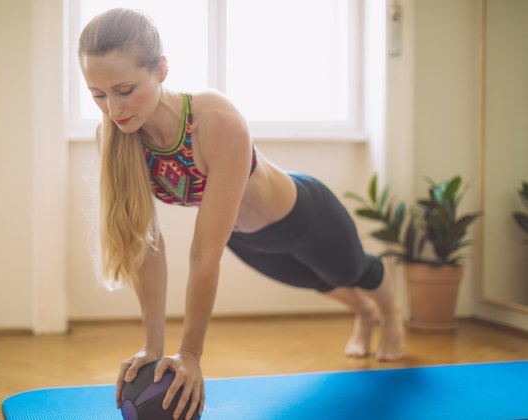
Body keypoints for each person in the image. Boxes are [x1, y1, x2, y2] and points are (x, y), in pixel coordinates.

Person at [78, 8, 404, 420]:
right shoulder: (120, 140)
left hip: (304, 215)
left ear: (161, 70)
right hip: (246, 238)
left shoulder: (214, 119)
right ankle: (363, 314)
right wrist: (153, 346)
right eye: (98, 95)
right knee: (317, 282)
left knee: (354, 271)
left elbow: (202, 254)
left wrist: (191, 354)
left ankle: (390, 316)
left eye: (125, 89)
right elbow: (147, 246)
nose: (114, 108)